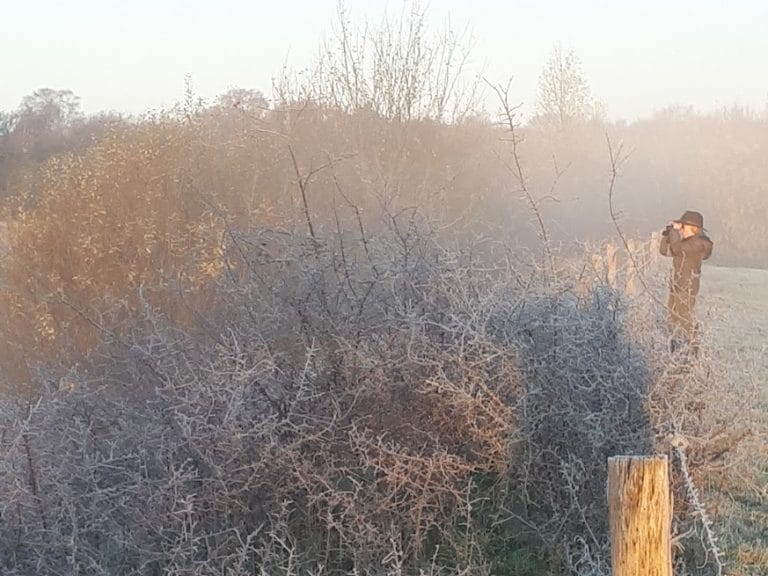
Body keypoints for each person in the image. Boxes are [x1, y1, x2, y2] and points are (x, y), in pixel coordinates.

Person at [659, 210, 713, 355]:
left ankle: (693, 348)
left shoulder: (699, 244)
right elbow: (664, 251)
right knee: (672, 317)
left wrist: (675, 233)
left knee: (684, 317)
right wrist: (668, 234)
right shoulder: (687, 243)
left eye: (683, 226)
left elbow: (678, 250)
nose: (681, 228)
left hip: (687, 286)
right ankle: (675, 348)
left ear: (693, 228)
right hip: (677, 284)